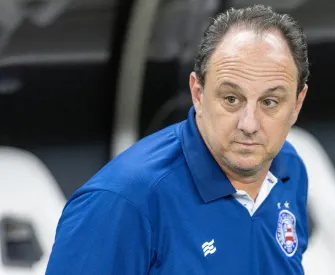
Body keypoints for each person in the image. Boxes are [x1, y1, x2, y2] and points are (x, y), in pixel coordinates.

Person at [45, 4, 310, 274]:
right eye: (231, 99)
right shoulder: (121, 203)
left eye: (269, 101)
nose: (249, 124)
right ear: (198, 93)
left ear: (297, 104)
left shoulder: (289, 168)